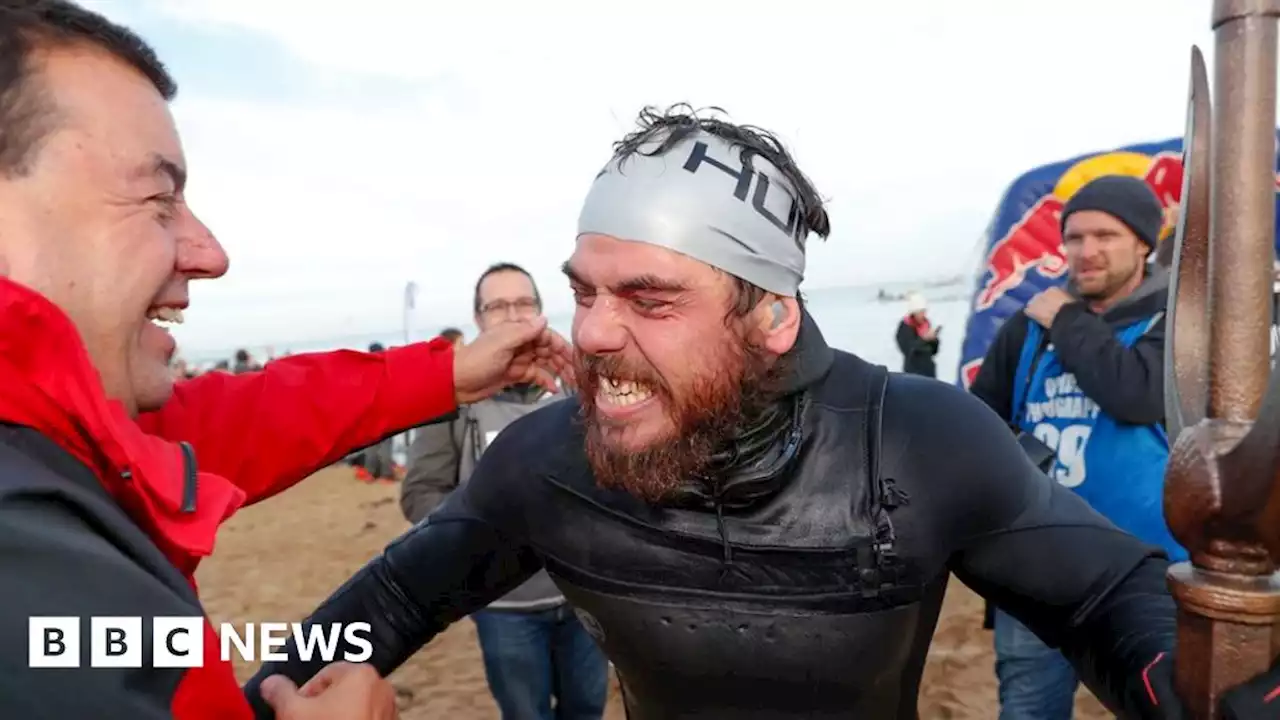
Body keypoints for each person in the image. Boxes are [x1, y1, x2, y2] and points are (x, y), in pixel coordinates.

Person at [245, 108, 1280, 719]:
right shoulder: (549, 460)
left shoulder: (917, 440)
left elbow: (1102, 598)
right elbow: (384, 603)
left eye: (648, 299)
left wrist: (1197, 685)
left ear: (770, 316)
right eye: (586, 290)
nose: (595, 334)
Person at [0, 3, 572, 720]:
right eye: (156, 199)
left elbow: (250, 412)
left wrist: (447, 375)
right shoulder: (27, 553)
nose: (210, 253)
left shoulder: (71, 434)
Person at [969, 174, 1186, 720]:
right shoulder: (1026, 330)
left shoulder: (1176, 321)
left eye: (1106, 236)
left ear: (1143, 242)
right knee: (1028, 706)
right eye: (1074, 238)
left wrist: (1066, 319)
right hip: (1040, 567)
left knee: (1166, 704)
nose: (1086, 252)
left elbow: (1134, 393)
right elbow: (977, 422)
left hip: (1152, 572)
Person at [401, 262, 609, 720]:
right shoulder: (453, 404)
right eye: (498, 306)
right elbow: (419, 494)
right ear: (479, 320)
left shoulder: (578, 386)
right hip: (503, 607)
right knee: (524, 712)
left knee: (587, 707)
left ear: (540, 311)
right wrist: (481, 540)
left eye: (524, 303)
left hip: (583, 598)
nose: (514, 316)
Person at [894, 291, 939, 377]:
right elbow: (909, 350)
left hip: (929, 372)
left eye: (924, 311)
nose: (924, 314)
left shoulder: (926, 324)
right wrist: (924, 339)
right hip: (913, 373)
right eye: (921, 312)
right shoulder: (904, 327)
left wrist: (934, 340)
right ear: (914, 312)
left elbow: (934, 351)